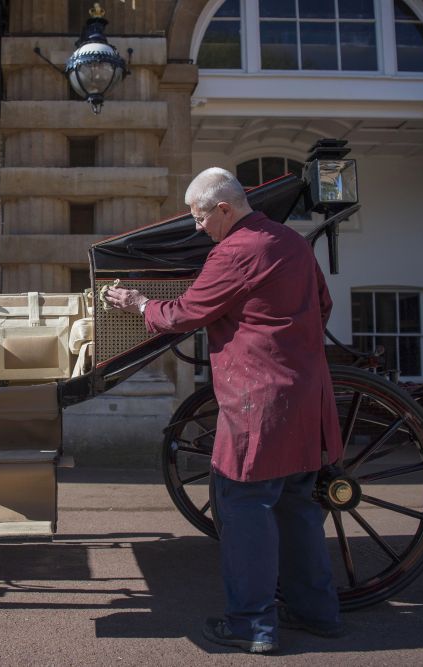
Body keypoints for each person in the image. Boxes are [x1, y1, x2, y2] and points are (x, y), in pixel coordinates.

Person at [104, 168, 344, 654]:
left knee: (243, 506)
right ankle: (316, 612)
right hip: (306, 397)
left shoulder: (235, 250)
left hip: (259, 401)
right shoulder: (292, 242)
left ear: (224, 210)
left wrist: (136, 303)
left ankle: (252, 625)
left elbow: (185, 314)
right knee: (298, 506)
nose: (197, 228)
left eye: (198, 217)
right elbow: (324, 304)